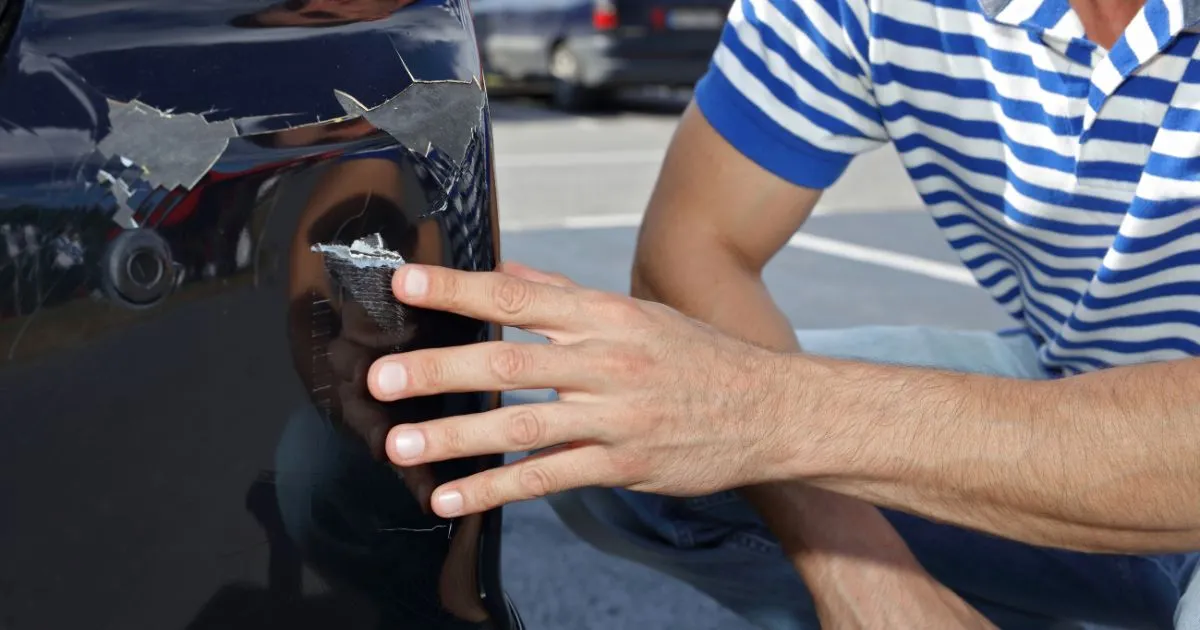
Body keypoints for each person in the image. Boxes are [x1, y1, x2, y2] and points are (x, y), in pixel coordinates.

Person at [364, 0, 1200, 626]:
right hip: (1079, 375)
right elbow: (696, 244)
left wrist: (763, 410)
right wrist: (872, 578)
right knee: (606, 433)